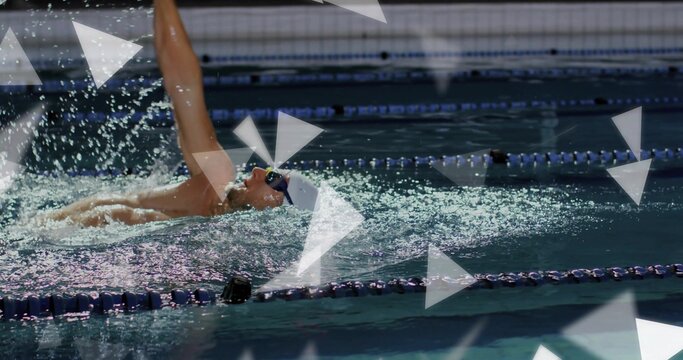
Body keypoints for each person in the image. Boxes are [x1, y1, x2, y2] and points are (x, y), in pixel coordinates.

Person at [45, 0, 289, 227]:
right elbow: (184, 86)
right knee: (121, 210)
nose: (258, 170)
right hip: (43, 232)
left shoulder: (225, 251)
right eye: (269, 172)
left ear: (280, 205)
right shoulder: (215, 179)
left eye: (273, 179)